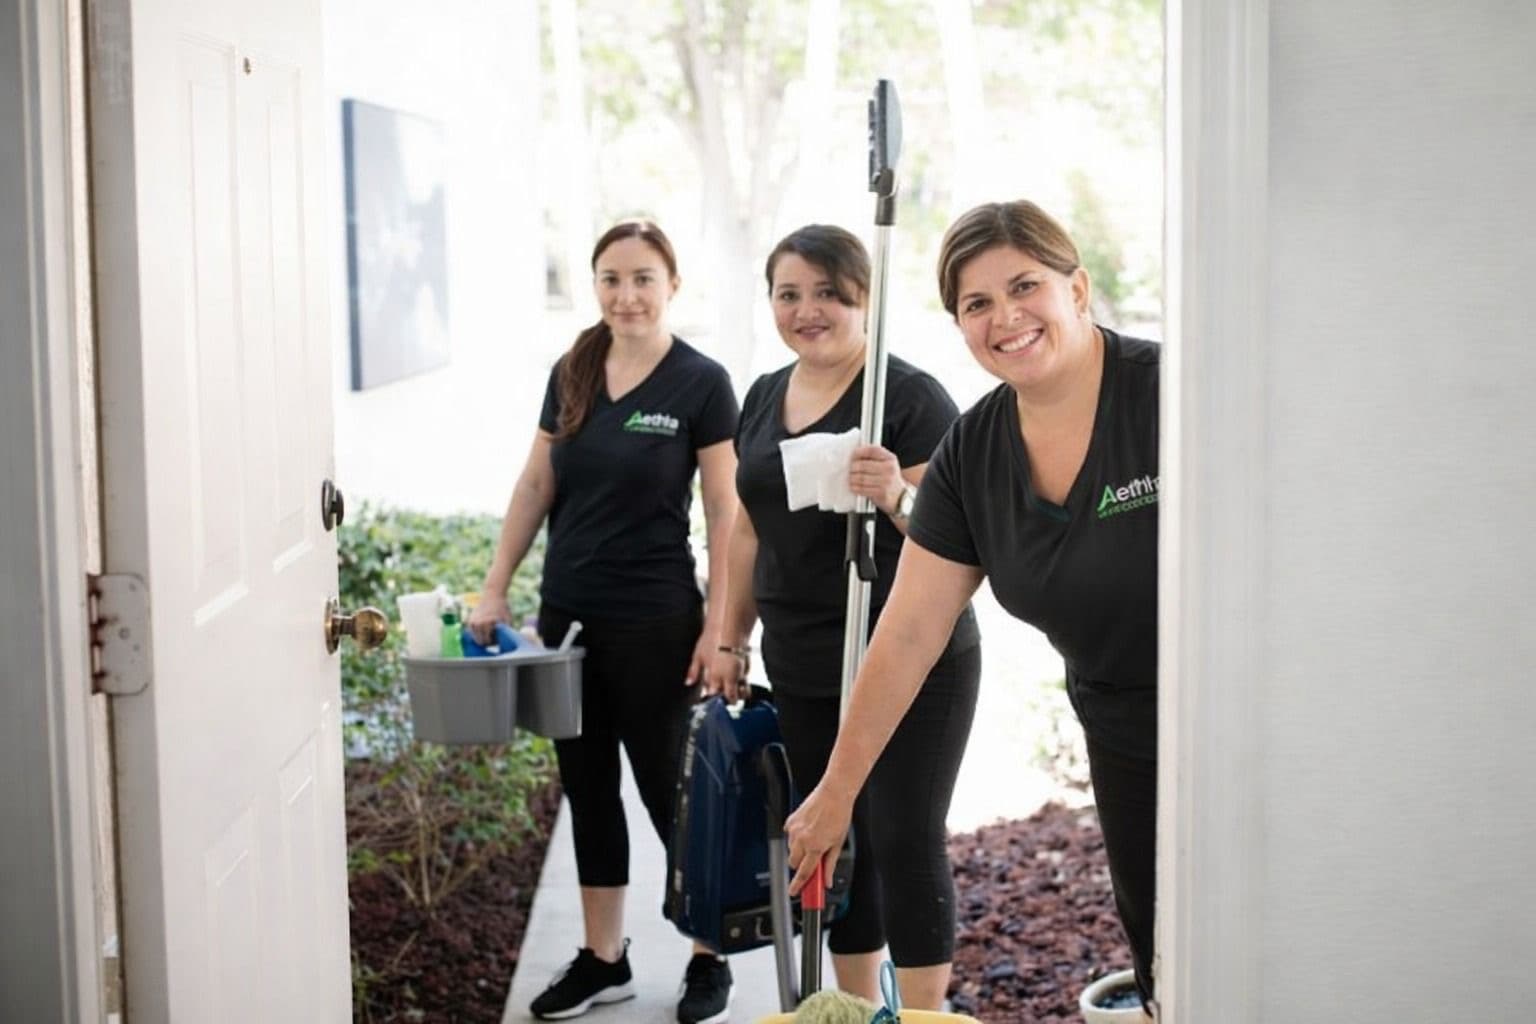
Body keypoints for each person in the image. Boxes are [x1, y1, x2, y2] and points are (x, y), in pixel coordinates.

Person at [782, 200, 1160, 1011]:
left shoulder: (1169, 399)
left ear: (1079, 288)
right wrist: (835, 792)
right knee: (1166, 948)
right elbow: (912, 628)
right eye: (976, 304)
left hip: (1239, 719)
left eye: (1025, 286)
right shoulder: (973, 453)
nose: (1005, 318)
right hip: (1120, 724)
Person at [467, 220, 741, 1024]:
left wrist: (720, 628)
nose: (627, 295)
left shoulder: (702, 382)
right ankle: (604, 958)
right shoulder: (575, 368)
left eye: (644, 278)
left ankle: (707, 952)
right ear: (596, 286)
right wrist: (494, 588)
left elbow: (726, 512)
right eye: (612, 278)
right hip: (569, 619)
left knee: (672, 796)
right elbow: (534, 485)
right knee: (587, 790)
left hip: (660, 623)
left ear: (672, 286)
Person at [706, 225, 982, 1009]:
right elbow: (745, 529)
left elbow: (959, 542)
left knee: (903, 836)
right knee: (832, 835)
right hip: (802, 659)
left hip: (910, 661)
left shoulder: (910, 399)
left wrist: (895, 492)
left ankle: (924, 1013)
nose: (808, 310)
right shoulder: (763, 395)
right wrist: (730, 637)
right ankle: (856, 1005)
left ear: (865, 299)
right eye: (789, 294)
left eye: (828, 292)